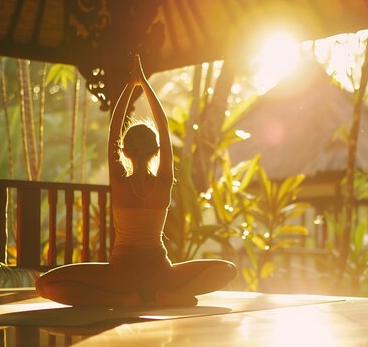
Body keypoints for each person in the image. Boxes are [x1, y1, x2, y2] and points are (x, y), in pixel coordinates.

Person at [36, 55, 237, 307]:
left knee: (44, 285)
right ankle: (170, 297)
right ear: (157, 151)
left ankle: (119, 300)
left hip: (121, 275)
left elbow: (113, 130)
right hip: (160, 275)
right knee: (227, 269)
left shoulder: (120, 181)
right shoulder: (164, 181)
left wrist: (130, 86)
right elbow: (163, 127)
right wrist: (144, 85)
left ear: (124, 151)